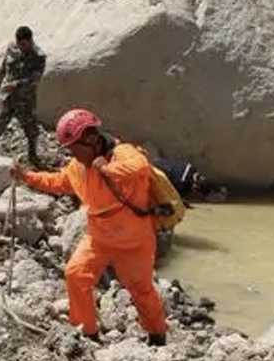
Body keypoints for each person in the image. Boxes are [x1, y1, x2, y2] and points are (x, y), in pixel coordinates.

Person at [12, 108, 171, 347]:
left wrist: (105, 169)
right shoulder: (78, 166)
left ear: (93, 139)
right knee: (76, 274)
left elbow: (139, 167)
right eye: (70, 149)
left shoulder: (121, 153)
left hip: (133, 239)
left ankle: (157, 336)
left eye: (76, 148)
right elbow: (58, 182)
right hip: (99, 236)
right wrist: (27, 177)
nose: (73, 154)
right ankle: (87, 333)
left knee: (141, 289)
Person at [0, 26, 47, 166]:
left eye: (23, 44)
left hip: (25, 99)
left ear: (30, 41)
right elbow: (4, 66)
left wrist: (17, 84)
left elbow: (35, 79)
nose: (20, 47)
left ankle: (32, 156)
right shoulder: (12, 47)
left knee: (31, 129)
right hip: (6, 96)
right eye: (19, 43)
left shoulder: (39, 56)